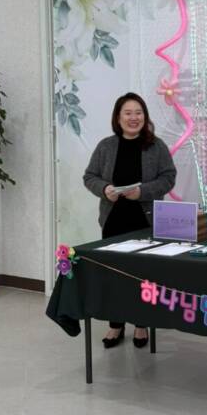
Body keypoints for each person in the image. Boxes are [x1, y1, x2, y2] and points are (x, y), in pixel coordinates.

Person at [83, 92, 176, 348]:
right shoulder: (106, 146)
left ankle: (141, 324)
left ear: (145, 116)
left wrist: (142, 192)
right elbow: (89, 176)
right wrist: (104, 189)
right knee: (113, 274)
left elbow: (168, 178)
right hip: (113, 221)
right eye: (128, 113)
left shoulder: (156, 146)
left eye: (138, 113)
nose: (133, 118)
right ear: (118, 117)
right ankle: (115, 324)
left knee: (142, 275)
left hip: (145, 222)